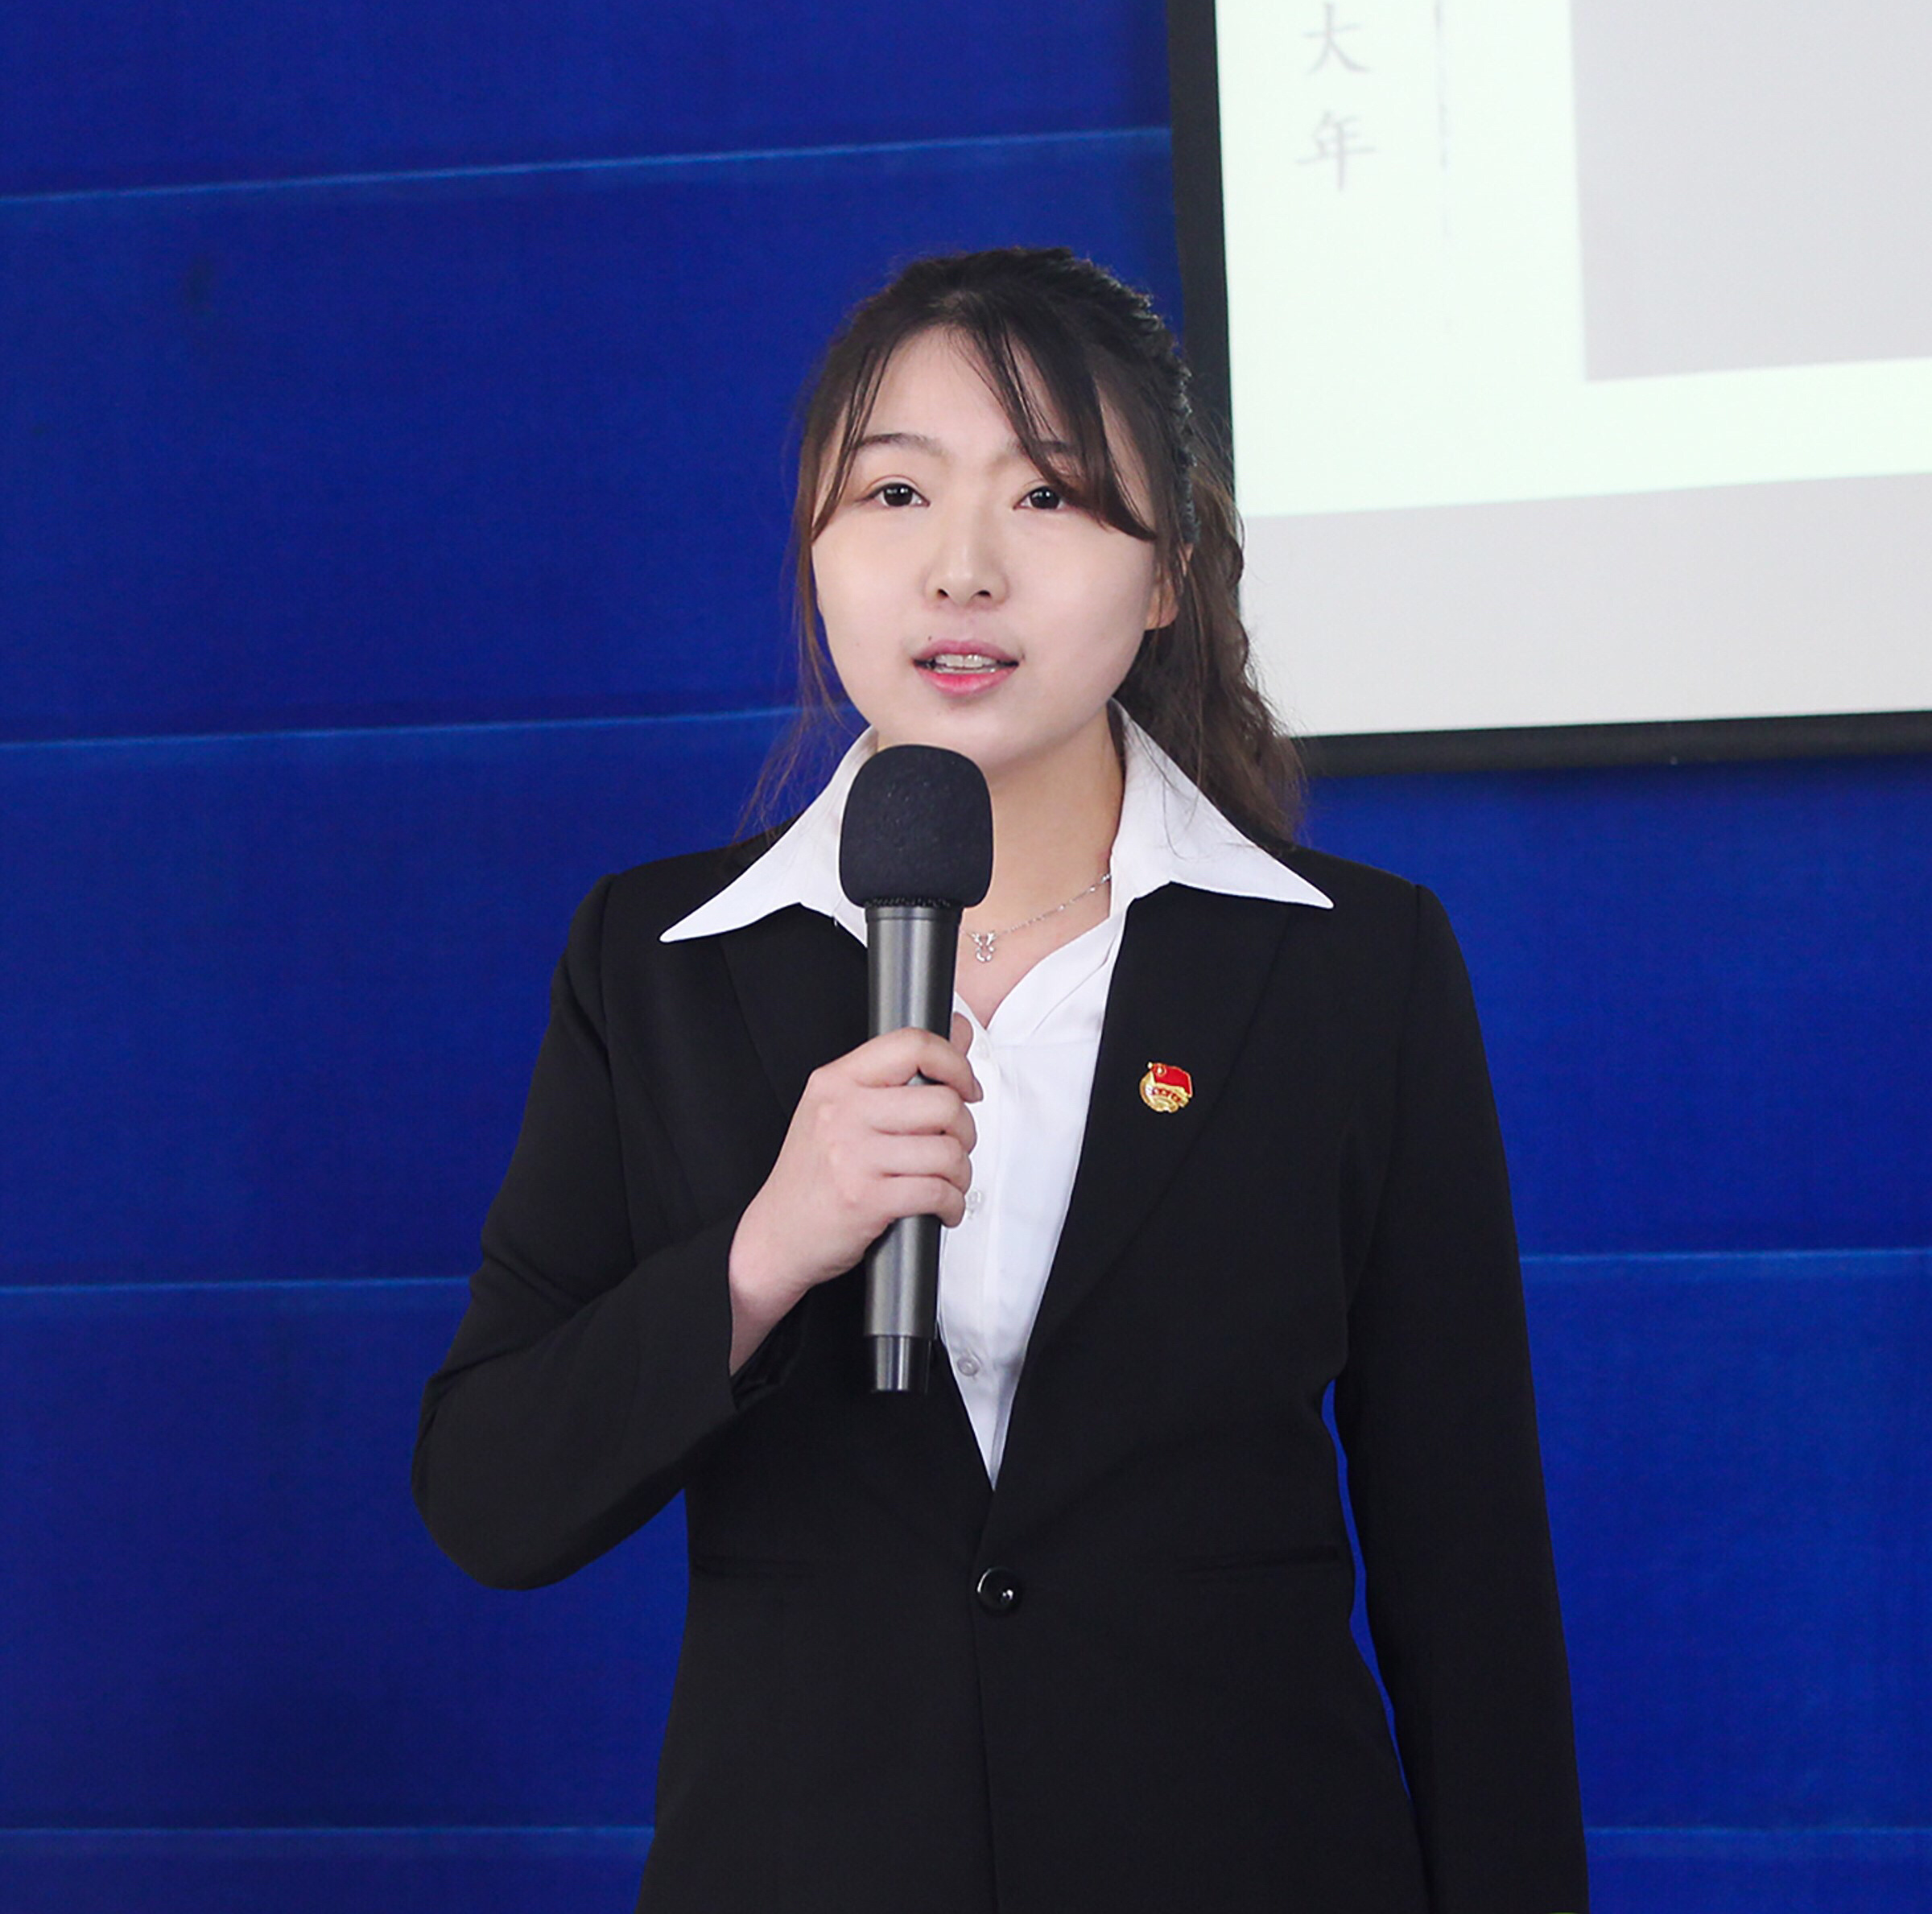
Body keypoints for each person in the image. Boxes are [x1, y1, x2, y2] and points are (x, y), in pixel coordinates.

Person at [412, 247, 1589, 1913]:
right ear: (816, 549)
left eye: (1047, 498)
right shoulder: (657, 959)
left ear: (1168, 575)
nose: (961, 570)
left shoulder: (1353, 966)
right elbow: (490, 1496)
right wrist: (765, 1254)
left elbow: (1467, 1560)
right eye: (894, 493)